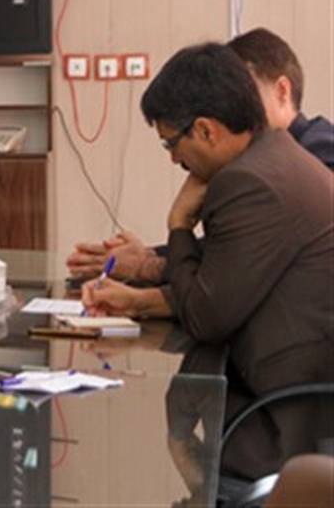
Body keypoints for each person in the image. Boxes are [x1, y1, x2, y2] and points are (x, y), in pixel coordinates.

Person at [82, 43, 334, 480]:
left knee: (133, 452)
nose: (174, 159)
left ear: (205, 130)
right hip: (293, 396)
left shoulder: (248, 182)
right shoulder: (274, 157)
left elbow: (205, 317)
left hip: (286, 422)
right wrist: (140, 301)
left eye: (171, 143)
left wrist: (179, 223)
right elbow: (219, 280)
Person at [68, 27, 334, 282]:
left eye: (243, 91)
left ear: (282, 91)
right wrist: (150, 255)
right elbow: (229, 248)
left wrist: (149, 265)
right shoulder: (260, 161)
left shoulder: (320, 153)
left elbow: (242, 266)